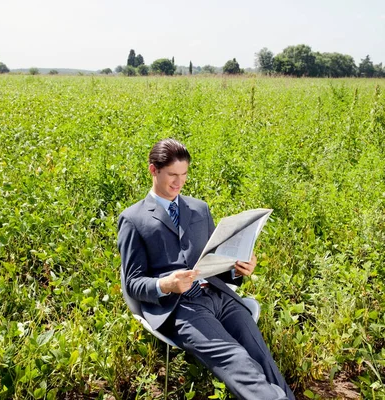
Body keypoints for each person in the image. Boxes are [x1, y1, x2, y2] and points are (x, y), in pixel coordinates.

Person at [118, 138, 295, 400]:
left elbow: (215, 263)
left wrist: (236, 268)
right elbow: (132, 282)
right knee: (237, 360)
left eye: (184, 174)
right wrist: (166, 284)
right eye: (172, 175)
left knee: (260, 354)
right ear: (153, 170)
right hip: (180, 306)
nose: (179, 183)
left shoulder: (199, 209)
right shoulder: (133, 219)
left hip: (219, 295)